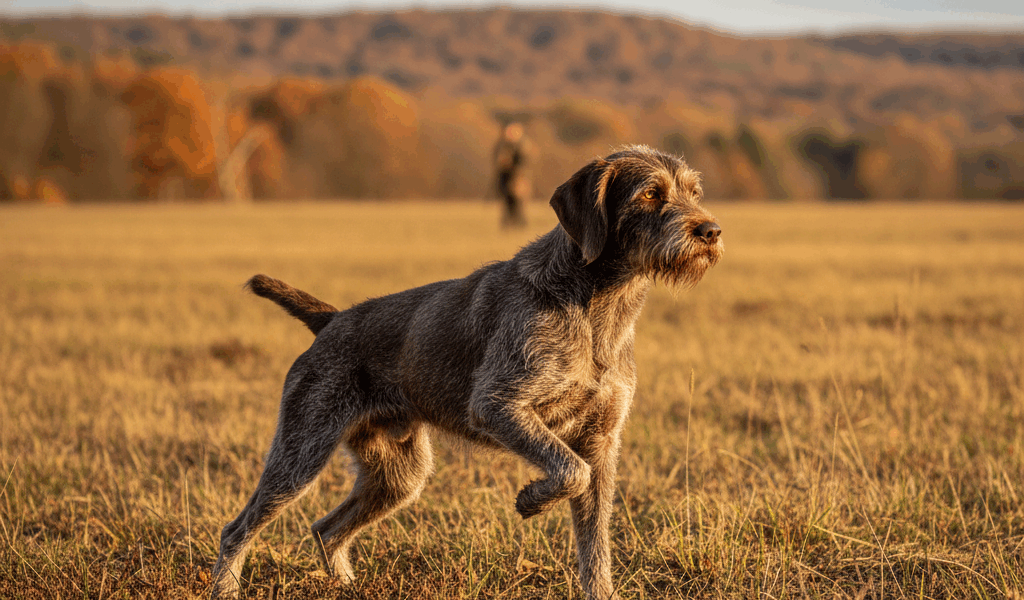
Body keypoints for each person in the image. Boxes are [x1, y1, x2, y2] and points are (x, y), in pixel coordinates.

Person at [493, 122, 528, 228]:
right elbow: (496, 160)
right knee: (507, 202)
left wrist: (516, 174)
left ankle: (519, 224)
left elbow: (524, 164)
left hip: (517, 179)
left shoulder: (522, 146)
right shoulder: (503, 146)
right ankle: (508, 224)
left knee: (518, 203)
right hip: (505, 178)